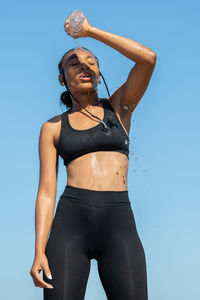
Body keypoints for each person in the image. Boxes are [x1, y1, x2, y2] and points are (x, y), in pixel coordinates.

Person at [30, 13, 157, 300]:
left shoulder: (120, 108)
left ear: (99, 74)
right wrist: (39, 249)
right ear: (62, 78)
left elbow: (148, 59)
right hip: (69, 224)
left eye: (91, 62)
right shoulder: (52, 128)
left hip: (119, 224)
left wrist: (89, 32)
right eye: (74, 63)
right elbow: (47, 191)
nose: (83, 65)